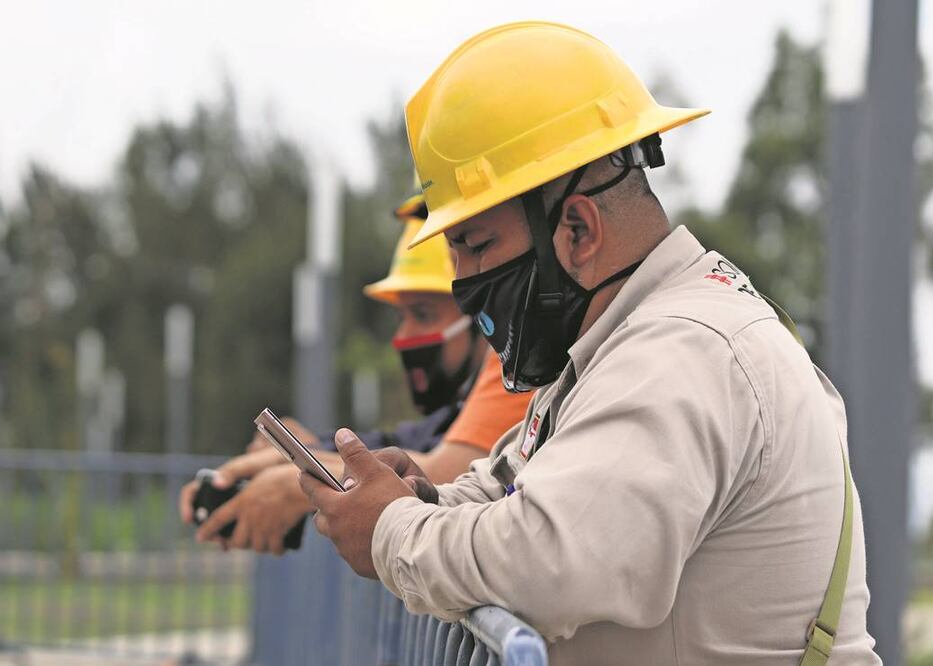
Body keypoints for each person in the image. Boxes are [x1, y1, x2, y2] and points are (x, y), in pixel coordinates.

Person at [300, 22, 881, 665]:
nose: (463, 283)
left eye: (476, 245)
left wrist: (389, 532)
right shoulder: (621, 350)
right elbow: (516, 488)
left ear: (576, 229)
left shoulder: (682, 356)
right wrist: (422, 500)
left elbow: (544, 562)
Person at [177, 195, 532, 554]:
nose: (403, 337)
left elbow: (443, 473)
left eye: (423, 314)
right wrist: (315, 450)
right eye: (400, 317)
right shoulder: (503, 368)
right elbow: (420, 439)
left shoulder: (521, 357)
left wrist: (297, 483)